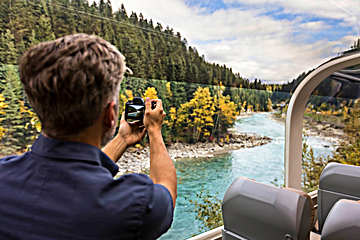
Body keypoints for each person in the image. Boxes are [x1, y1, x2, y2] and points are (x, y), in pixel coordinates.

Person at [0, 34, 177, 240]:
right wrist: (154, 129)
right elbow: (166, 189)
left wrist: (122, 140)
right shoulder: (129, 205)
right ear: (111, 115)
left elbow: (73, 174)